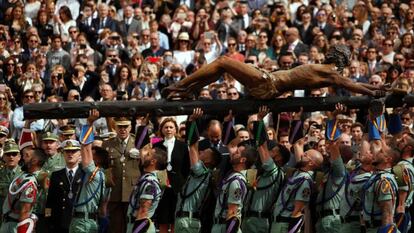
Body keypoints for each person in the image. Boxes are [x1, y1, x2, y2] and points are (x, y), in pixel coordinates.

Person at [162, 45, 386, 100]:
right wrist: (376, 89)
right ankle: (188, 89)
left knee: (222, 60)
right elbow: (353, 83)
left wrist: (374, 92)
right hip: (267, 82)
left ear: (337, 57)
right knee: (221, 67)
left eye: (331, 52)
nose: (327, 53)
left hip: (268, 83)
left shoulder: (332, 73)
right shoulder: (330, 72)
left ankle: (180, 86)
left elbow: (350, 84)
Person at [242, 106, 289, 233]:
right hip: (248, 220)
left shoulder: (274, 171)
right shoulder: (265, 172)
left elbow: (261, 146)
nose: (269, 151)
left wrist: (259, 120)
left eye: (273, 151)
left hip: (260, 222)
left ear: (279, 158)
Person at [174, 108, 221, 233]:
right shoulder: (206, 175)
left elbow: (193, 147)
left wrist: (192, 121)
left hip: (187, 222)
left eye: (205, 152)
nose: (201, 151)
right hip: (190, 221)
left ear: (209, 161)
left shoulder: (201, 172)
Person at [270, 148, 324, 233]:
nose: (302, 155)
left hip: (284, 225)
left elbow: (298, 210)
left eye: (305, 155)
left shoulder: (304, 180)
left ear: (310, 163)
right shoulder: (297, 174)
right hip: (277, 223)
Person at [102, 117, 139, 233]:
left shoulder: (138, 142)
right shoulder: (107, 143)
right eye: (120, 127)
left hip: (133, 191)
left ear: (130, 127)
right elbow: (104, 167)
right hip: (114, 192)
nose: (123, 130)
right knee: (115, 226)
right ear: (115, 127)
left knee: (132, 226)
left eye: (125, 127)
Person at [211, 140, 257, 233]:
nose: (233, 153)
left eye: (237, 153)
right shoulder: (231, 175)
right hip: (218, 226)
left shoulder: (236, 181)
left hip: (225, 228)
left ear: (242, 160)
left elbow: (232, 213)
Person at [0, 147, 47, 233]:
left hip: (15, 226)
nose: (23, 158)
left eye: (27, 156)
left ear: (34, 161)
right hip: (7, 223)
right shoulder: (24, 176)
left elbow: (25, 211)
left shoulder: (30, 183)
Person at [46, 134, 85, 233]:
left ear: (79, 153)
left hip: (78, 221)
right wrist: (48, 220)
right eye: (67, 151)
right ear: (63, 153)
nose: (70, 154)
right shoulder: (56, 175)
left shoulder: (84, 174)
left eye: (73, 151)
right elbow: (50, 200)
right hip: (59, 221)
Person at [126, 145, 167, 233]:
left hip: (141, 227)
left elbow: (143, 211)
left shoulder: (149, 183)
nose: (143, 155)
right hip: (135, 225)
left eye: (148, 154)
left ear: (153, 161)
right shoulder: (146, 178)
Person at [361, 140, 399, 233]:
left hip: (379, 229)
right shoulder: (376, 176)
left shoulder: (384, 180)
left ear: (387, 159)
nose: (377, 153)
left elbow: (387, 213)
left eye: (381, 152)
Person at [339, 140, 373, 233]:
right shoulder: (355, 169)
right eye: (360, 150)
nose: (361, 152)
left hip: (354, 223)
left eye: (369, 151)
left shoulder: (369, 179)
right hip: (343, 222)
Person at [0, 139, 22, 225]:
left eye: (14, 154)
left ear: (19, 157)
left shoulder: (25, 175)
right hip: (2, 216)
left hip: (18, 217)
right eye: (8, 154)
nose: (11, 157)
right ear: (4, 157)